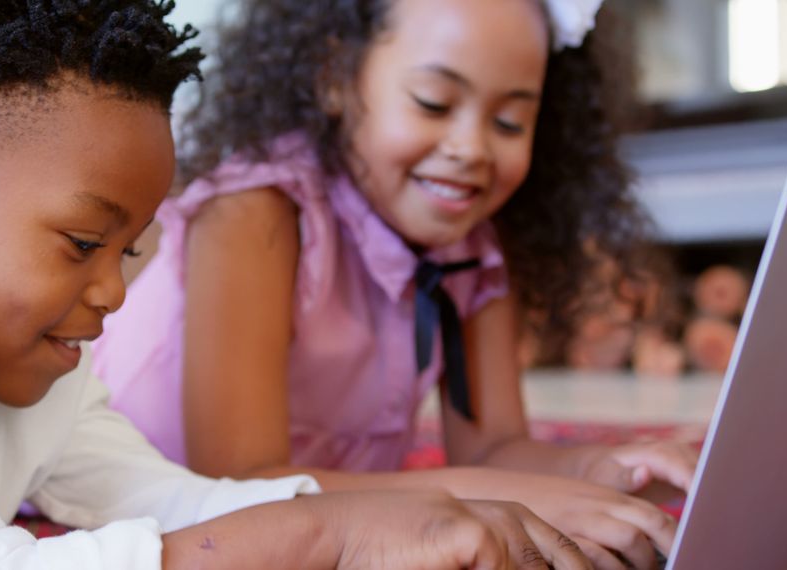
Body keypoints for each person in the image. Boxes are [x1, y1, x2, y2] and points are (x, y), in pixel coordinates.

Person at [0, 1, 595, 569]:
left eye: (128, 252)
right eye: (83, 243)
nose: (114, 293)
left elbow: (156, 496)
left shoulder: (26, 347)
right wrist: (324, 540)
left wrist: (390, 521)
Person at [93, 0, 696, 567]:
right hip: (166, 506)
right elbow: (242, 481)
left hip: (329, 516)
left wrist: (605, 467)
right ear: (335, 75)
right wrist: (516, 495)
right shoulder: (255, 211)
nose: (470, 148)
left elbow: (491, 450)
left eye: (510, 122)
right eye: (434, 103)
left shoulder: (474, 248)